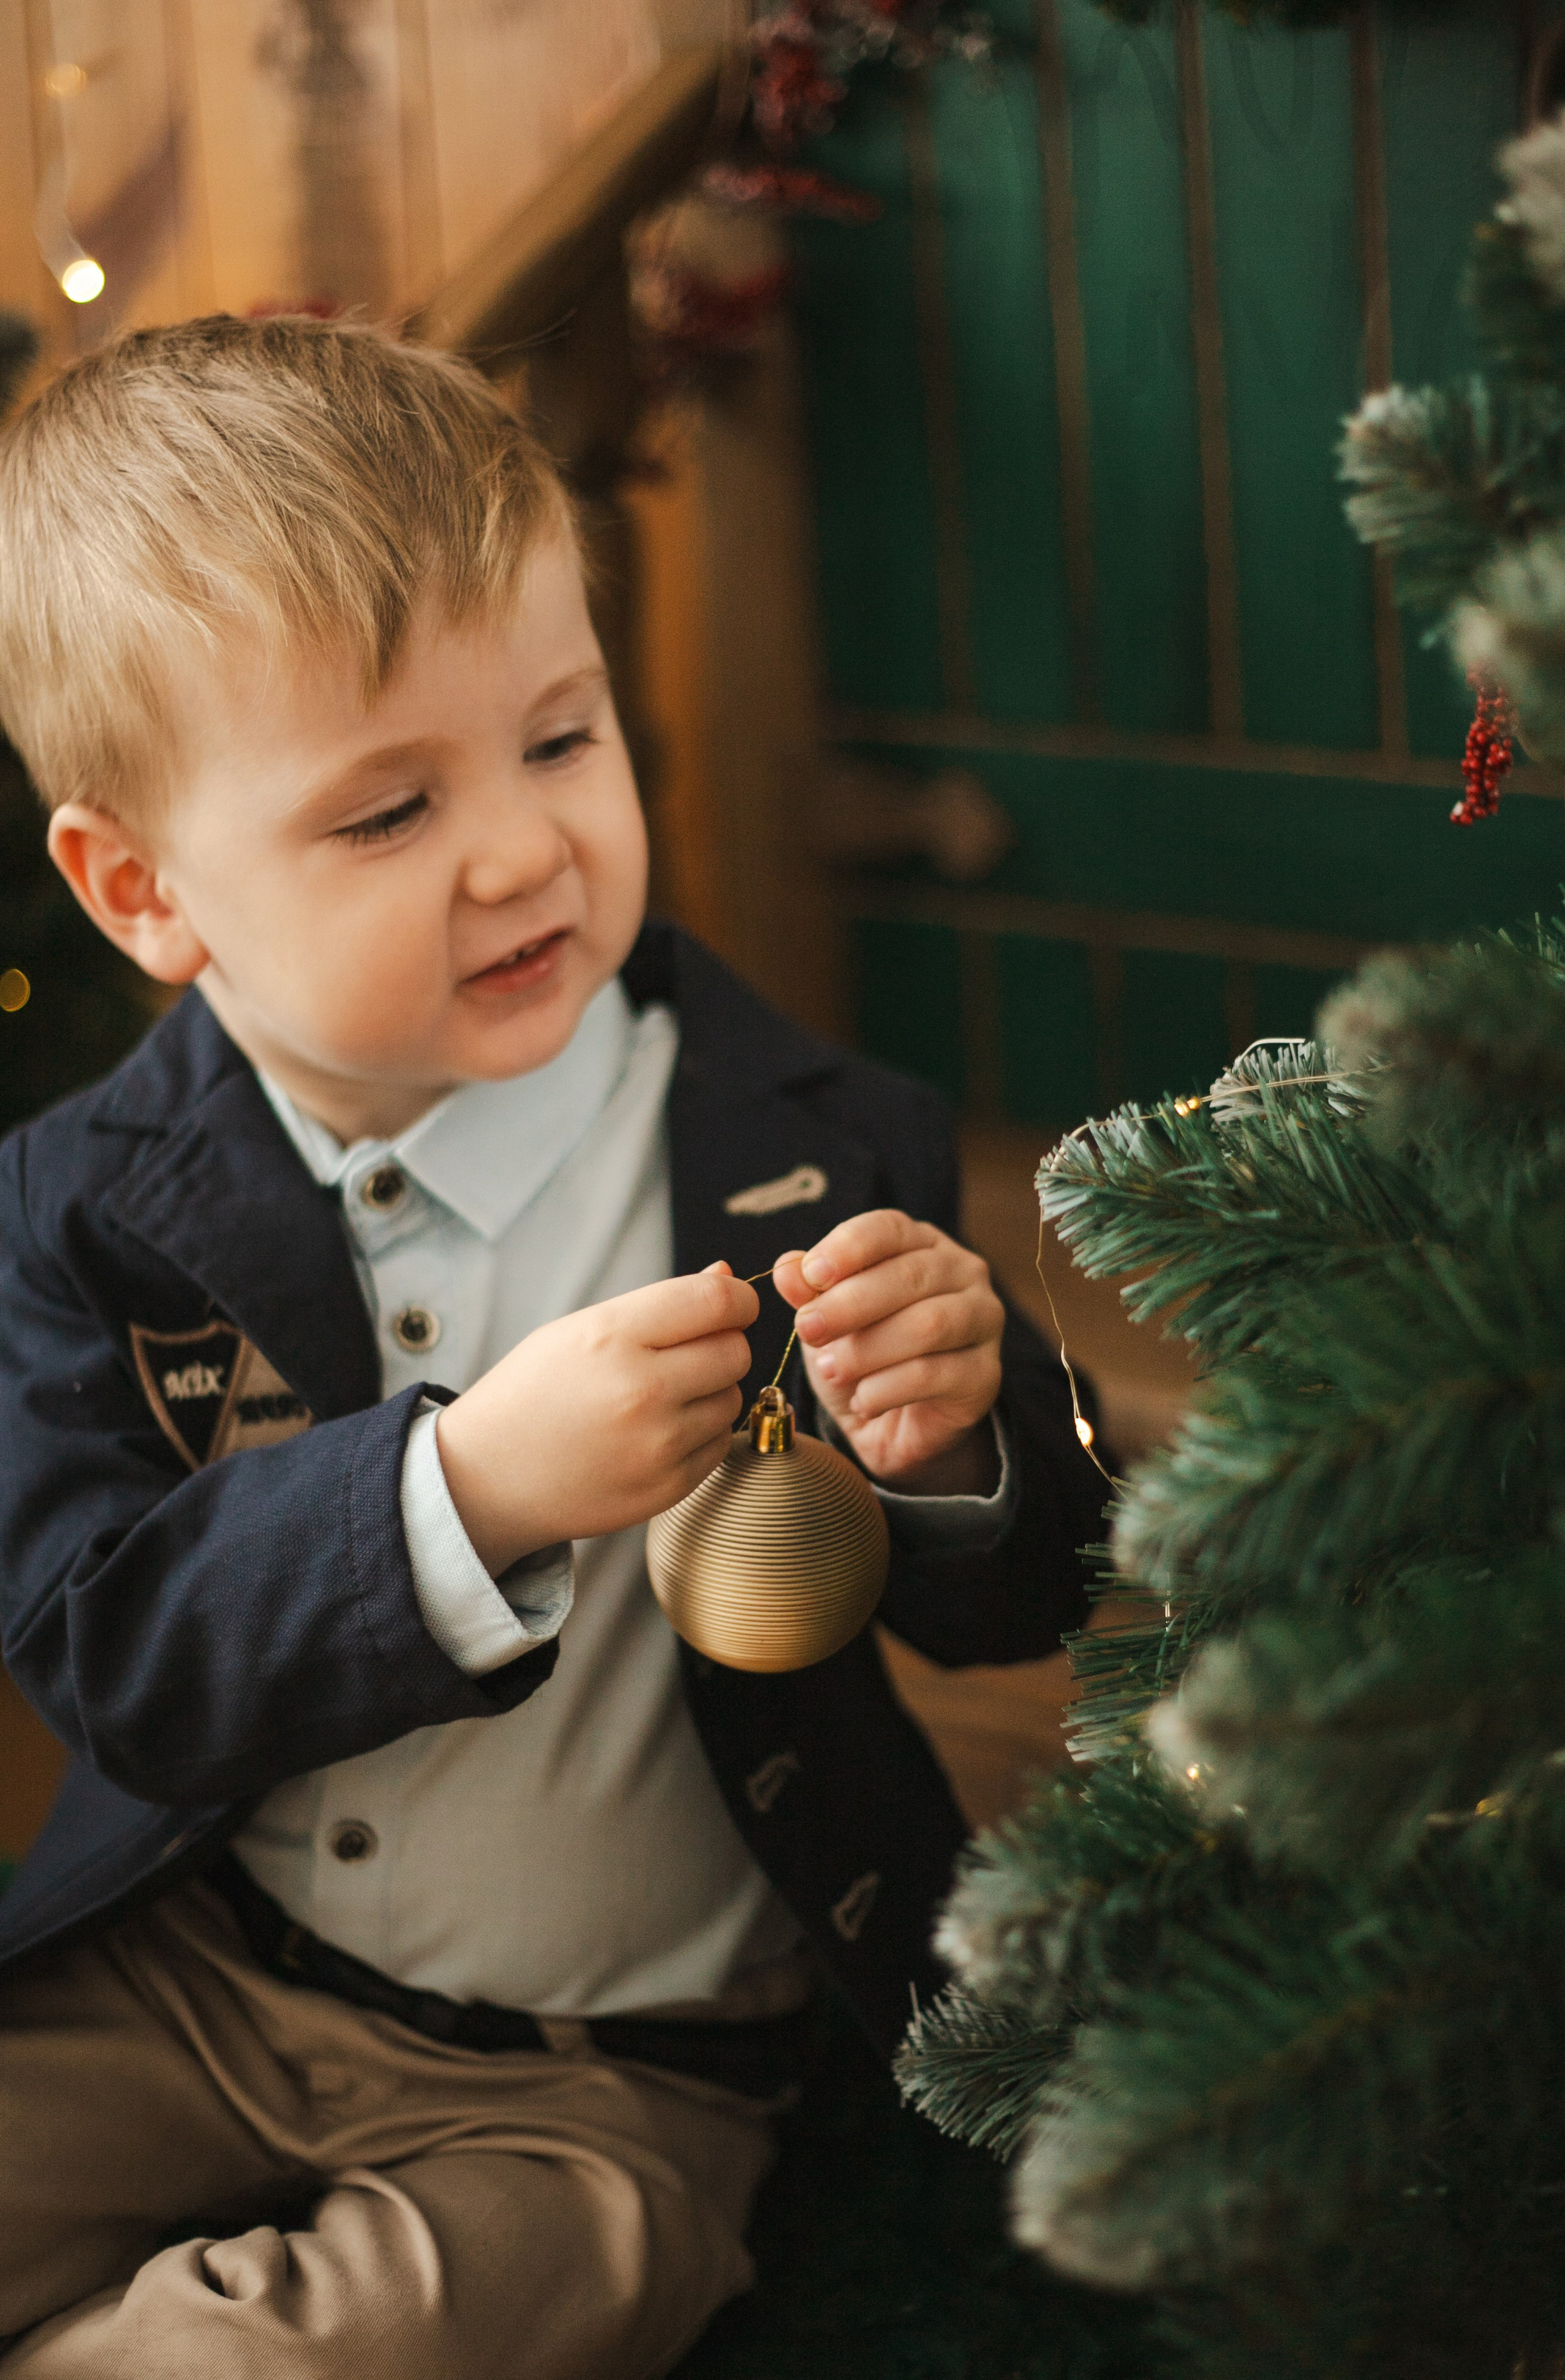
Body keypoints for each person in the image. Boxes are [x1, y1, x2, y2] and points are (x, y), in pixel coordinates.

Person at [0, 315, 1099, 2380]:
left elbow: (1025, 1601)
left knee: (295, 2361)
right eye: (384, 814)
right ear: (143, 889)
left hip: (614, 2077)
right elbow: (117, 1662)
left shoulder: (809, 1147)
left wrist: (957, 1435)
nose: (521, 851)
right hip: (198, 1979)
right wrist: (465, 1492)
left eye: (563, 739)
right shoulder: (73, 1211)